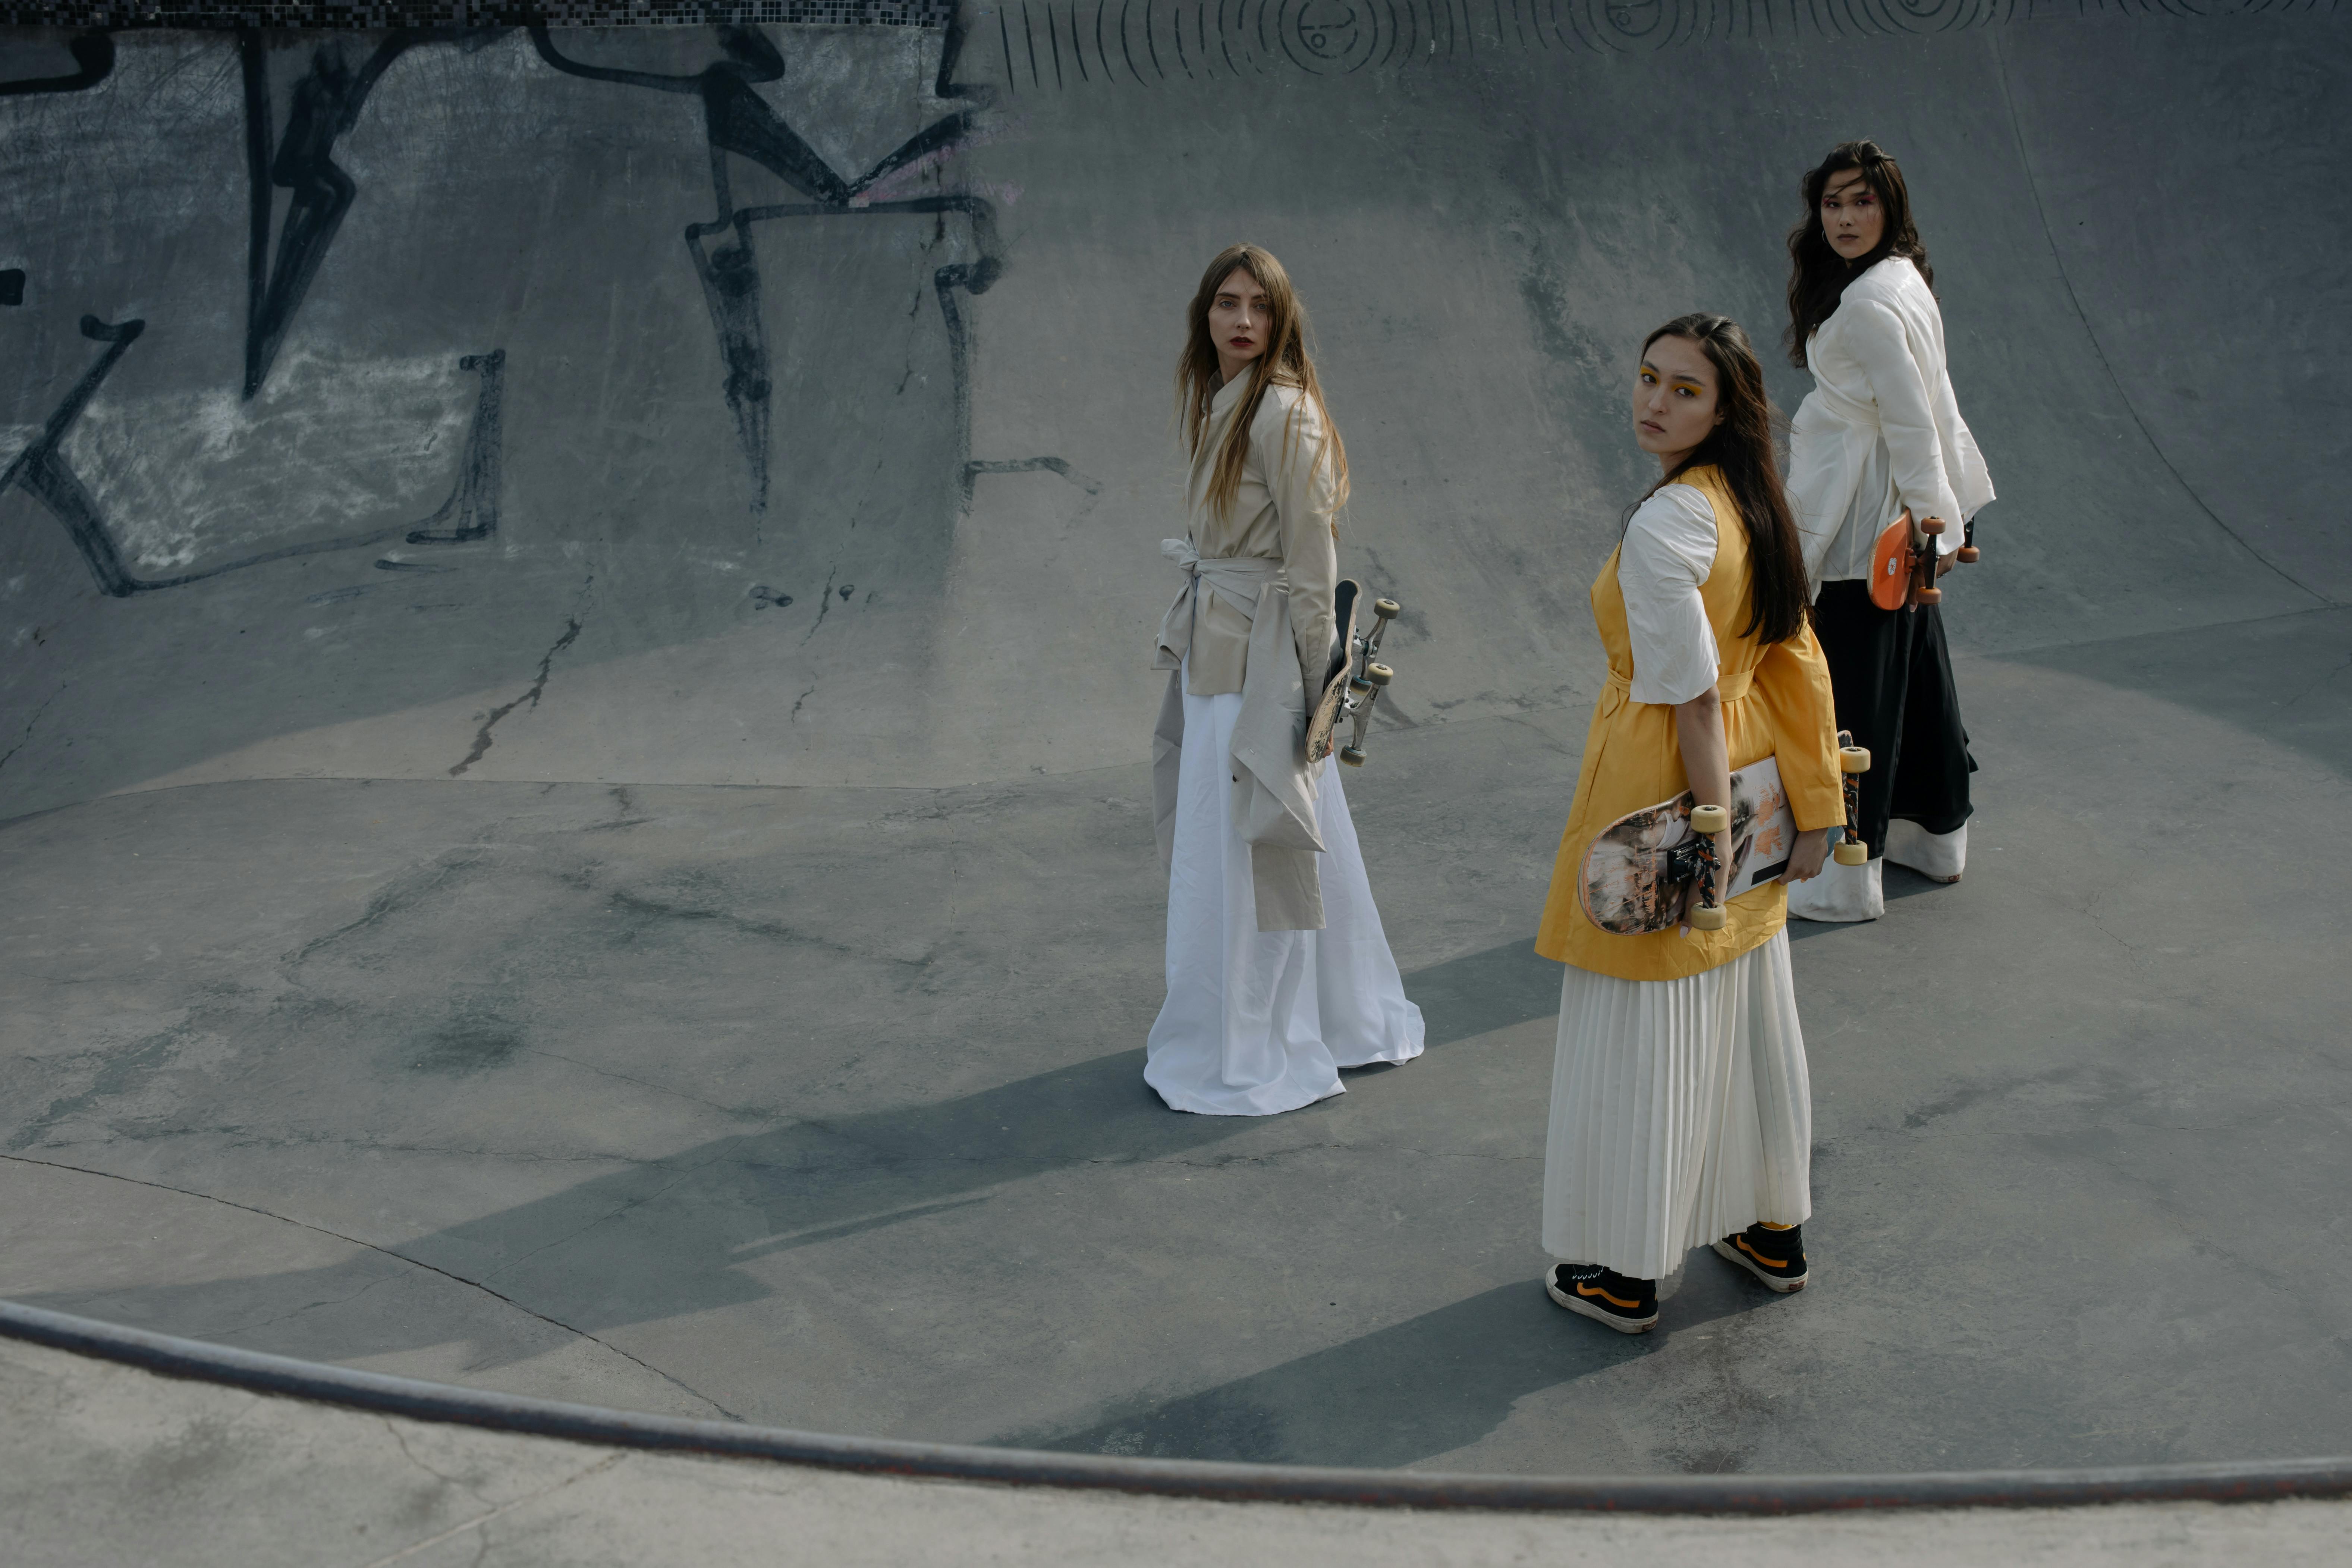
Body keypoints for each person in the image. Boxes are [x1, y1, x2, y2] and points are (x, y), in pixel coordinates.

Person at [1532, 315, 1843, 1332]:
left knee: (1642, 1016)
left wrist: (1704, 834)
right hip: (1753, 775)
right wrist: (1813, 807)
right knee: (1747, 1005)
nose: (1652, 402)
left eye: (1683, 390)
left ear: (1726, 409)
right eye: (1647, 377)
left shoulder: (1669, 523)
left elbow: (1692, 699)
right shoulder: (1753, 506)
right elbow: (1796, 660)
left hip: (1665, 780)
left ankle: (1624, 1273)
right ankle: (1767, 1228)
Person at [1145, 244, 1425, 1116]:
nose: (1241, 321)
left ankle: (1265, 1039)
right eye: (1226, 304)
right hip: (1218, 648)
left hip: (1260, 663)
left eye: (1258, 308)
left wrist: (1315, 687)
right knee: (1252, 842)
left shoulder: (1285, 413)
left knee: (1254, 849)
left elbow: (1312, 563)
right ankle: (1342, 1017)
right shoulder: (1226, 404)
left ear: (1281, 320)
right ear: (1206, 315)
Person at [1781, 140, 1996, 922]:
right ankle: (1933, 840)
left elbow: (1910, 419)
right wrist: (1935, 516)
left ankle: (1846, 877)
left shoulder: (1869, 302)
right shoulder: (1901, 279)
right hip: (1891, 506)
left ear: (1889, 207)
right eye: (1832, 204)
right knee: (1918, 676)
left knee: (1851, 691)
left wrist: (1932, 521)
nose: (1843, 218)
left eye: (1861, 202)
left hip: (1860, 512)